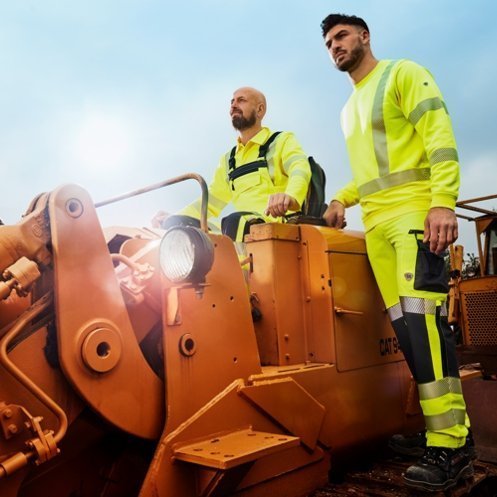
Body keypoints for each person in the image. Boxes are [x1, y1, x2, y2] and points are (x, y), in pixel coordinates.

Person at [320, 13, 473, 492]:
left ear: (364, 36)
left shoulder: (402, 74)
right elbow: (371, 174)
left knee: (425, 325)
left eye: (341, 36)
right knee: (407, 332)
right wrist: (342, 197)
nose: (335, 46)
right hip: (378, 227)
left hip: (414, 218)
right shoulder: (349, 109)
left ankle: (453, 444)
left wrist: (443, 202)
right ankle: (435, 428)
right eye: (328, 43)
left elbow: (439, 138)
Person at [170, 87, 311, 241]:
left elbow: (300, 168)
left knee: (235, 221)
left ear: (260, 110)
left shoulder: (281, 141)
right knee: (178, 226)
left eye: (241, 100)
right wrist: (176, 217)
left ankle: (239, 265)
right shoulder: (229, 159)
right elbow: (211, 200)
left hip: (278, 229)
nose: (233, 105)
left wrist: (290, 196)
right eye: (232, 101)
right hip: (239, 229)